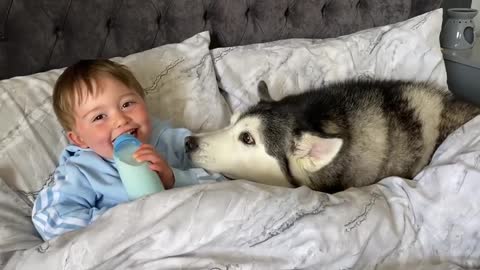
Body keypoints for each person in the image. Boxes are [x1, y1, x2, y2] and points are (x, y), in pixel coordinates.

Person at [32, 59, 225, 241]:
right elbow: (49, 219)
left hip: (190, 230)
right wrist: (122, 219)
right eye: (99, 117)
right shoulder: (81, 170)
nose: (121, 120)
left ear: (143, 101)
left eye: (127, 104)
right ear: (79, 139)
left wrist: (174, 178)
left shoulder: (170, 141)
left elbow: (224, 178)